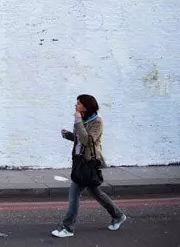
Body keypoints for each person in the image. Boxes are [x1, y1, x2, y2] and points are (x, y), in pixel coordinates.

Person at [51, 94, 127, 238]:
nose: (75, 105)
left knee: (74, 194)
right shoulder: (83, 119)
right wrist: (68, 135)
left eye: (78, 103)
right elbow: (79, 138)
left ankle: (67, 228)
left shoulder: (97, 122)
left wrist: (78, 120)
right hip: (80, 162)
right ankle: (118, 215)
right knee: (96, 193)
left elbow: (87, 141)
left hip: (89, 163)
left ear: (86, 106)